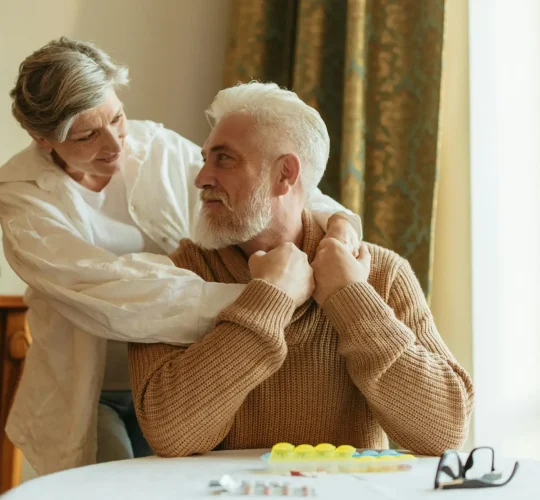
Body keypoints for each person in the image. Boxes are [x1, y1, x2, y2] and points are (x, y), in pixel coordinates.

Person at [0, 38, 362, 476]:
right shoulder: (21, 196)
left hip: (179, 376)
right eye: (87, 135)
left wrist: (338, 221)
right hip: (95, 390)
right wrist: (269, 297)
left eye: (117, 118)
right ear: (42, 140)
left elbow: (256, 187)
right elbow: (111, 292)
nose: (113, 143)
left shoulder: (158, 148)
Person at [128, 82, 475, 458]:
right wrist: (269, 299)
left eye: (224, 159)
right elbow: (169, 434)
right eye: (205, 158)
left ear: (285, 174)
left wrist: (351, 298)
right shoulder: (177, 276)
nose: (202, 178)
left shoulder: (382, 273)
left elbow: (446, 430)